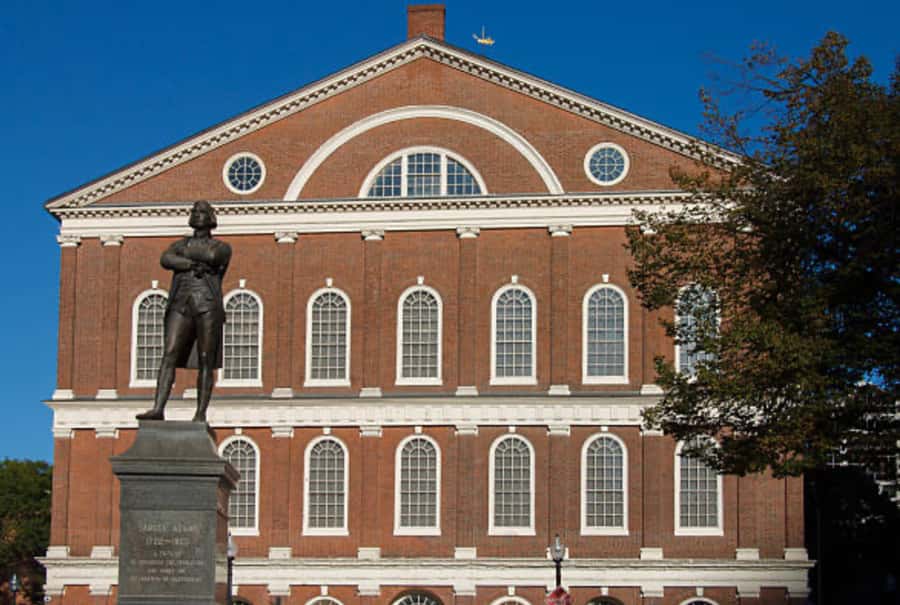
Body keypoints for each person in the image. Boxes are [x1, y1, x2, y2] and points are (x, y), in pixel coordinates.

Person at [137, 201, 232, 422]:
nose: (197, 215)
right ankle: (158, 408)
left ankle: (200, 414)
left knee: (206, 358)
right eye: (194, 212)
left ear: (211, 219)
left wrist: (184, 258)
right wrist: (191, 264)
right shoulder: (180, 244)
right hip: (181, 302)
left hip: (206, 303)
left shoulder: (221, 246)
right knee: (169, 352)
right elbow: (165, 259)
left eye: (202, 212)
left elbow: (212, 257)